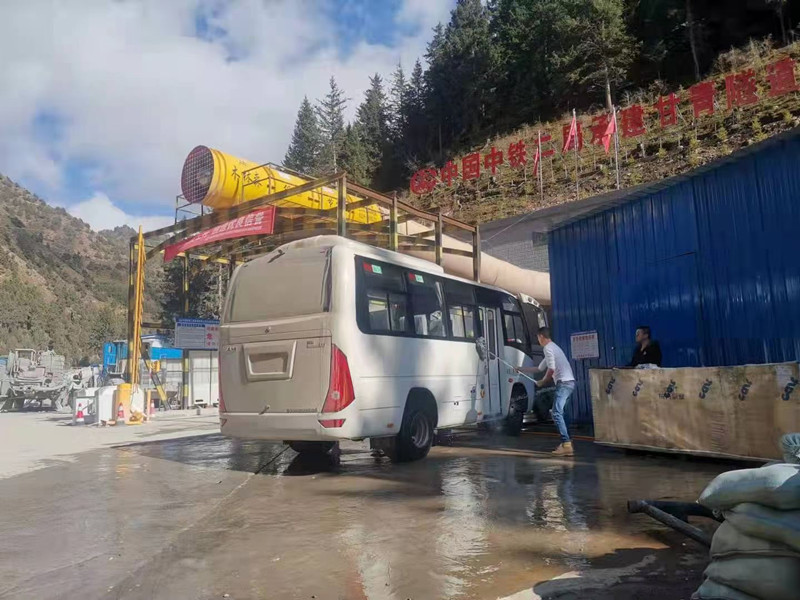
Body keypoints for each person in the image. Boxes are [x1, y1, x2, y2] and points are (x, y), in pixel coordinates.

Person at [517, 327, 576, 456]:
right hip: (570, 383)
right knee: (562, 413)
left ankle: (566, 444)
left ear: (541, 337)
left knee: (556, 413)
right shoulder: (553, 347)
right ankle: (568, 443)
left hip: (564, 383)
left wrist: (543, 382)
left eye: (538, 338)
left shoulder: (548, 348)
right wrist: (521, 369)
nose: (538, 340)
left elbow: (551, 369)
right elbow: (539, 368)